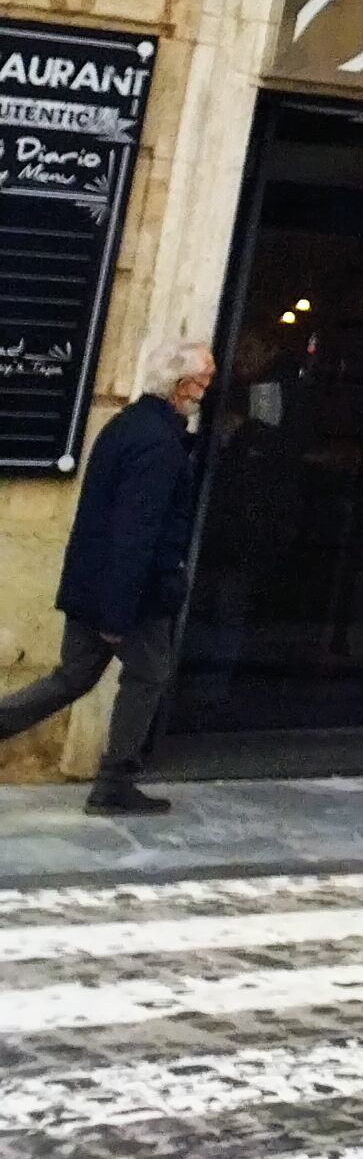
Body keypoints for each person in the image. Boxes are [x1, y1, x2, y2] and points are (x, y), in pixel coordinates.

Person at [0, 337, 210, 814]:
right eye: (203, 381)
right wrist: (116, 613)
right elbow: (135, 532)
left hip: (95, 584)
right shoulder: (159, 444)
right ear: (181, 386)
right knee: (149, 674)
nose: (206, 391)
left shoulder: (126, 427)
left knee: (73, 676)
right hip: (130, 593)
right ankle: (115, 781)